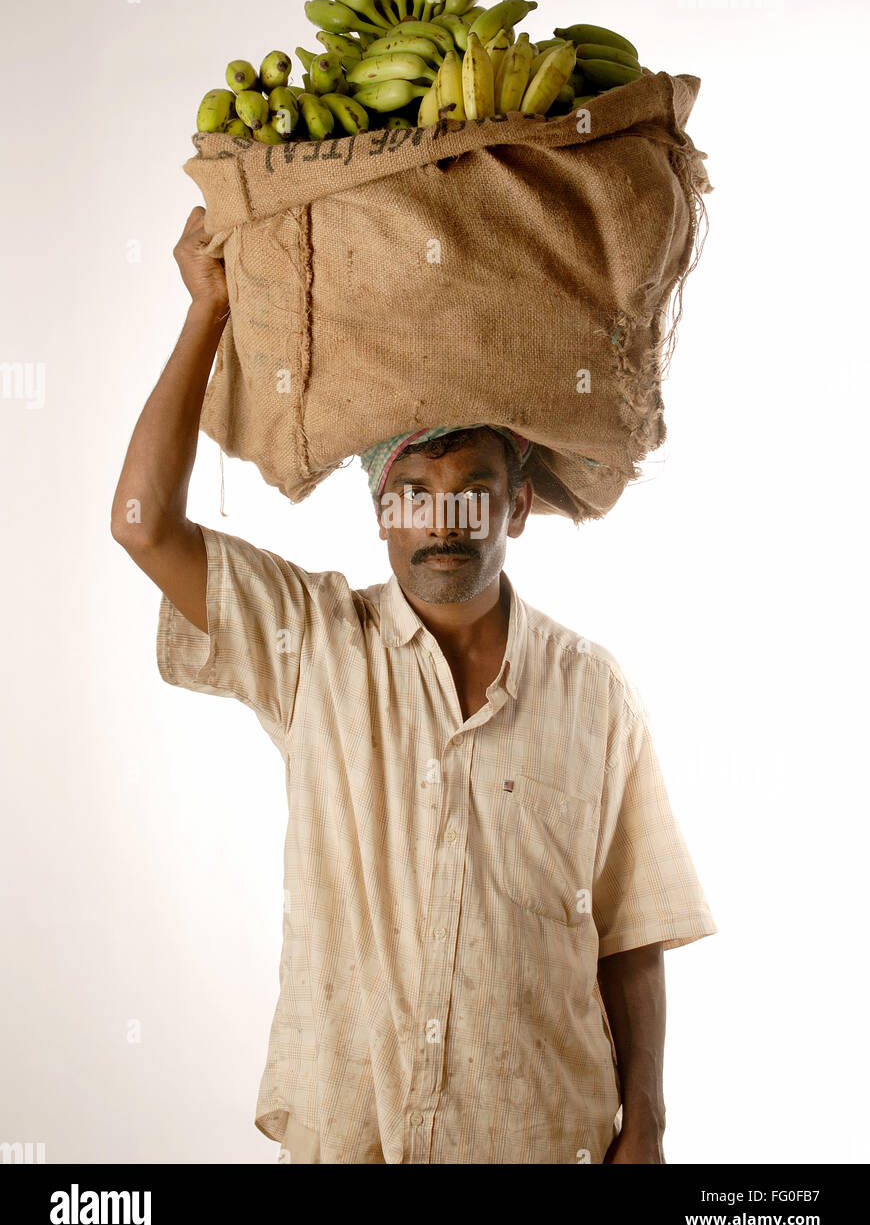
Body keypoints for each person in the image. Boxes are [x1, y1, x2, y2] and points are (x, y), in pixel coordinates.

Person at [111, 206, 717, 1165]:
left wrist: (646, 1117)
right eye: (414, 493)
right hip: (354, 1137)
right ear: (381, 513)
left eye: (473, 487)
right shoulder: (311, 644)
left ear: (517, 504)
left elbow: (631, 931)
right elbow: (144, 524)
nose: (445, 522)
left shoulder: (596, 695)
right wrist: (208, 313)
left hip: (541, 1137)